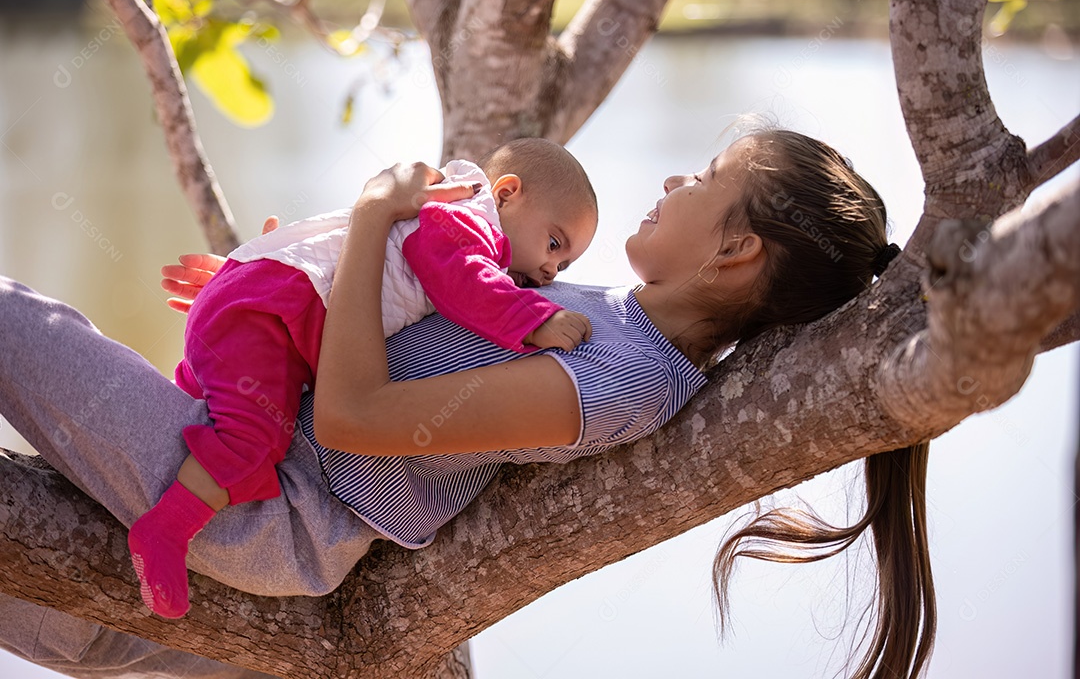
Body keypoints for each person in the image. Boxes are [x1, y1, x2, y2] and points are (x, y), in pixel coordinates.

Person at [0, 129, 911, 679]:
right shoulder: (593, 312)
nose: (675, 182)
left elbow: (357, 418)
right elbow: (396, 326)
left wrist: (366, 226)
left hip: (277, 514)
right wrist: (279, 288)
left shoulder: (622, 375)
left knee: (16, 325)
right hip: (256, 460)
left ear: (736, 251)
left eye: (707, 178)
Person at [128, 138, 599, 619]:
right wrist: (534, 319)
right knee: (254, 437)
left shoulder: (458, 218)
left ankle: (155, 457)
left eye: (563, 265)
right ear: (506, 194)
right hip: (269, 313)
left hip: (271, 309)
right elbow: (463, 280)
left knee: (208, 410)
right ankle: (165, 529)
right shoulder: (465, 220)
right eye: (554, 243)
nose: (549, 269)